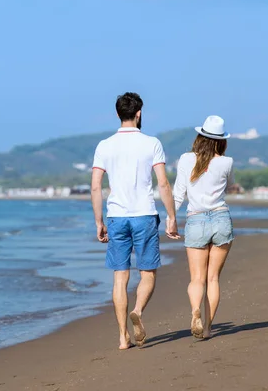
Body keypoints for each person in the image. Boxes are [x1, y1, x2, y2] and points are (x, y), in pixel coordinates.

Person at [91, 92, 180, 350]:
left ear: (118, 114)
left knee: (120, 277)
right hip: (144, 215)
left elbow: (96, 187)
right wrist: (172, 217)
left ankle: (122, 337)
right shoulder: (151, 143)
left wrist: (99, 221)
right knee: (148, 273)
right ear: (139, 113)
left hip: (117, 217)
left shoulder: (104, 146)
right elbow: (162, 182)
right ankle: (138, 311)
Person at [172, 115, 235, 340]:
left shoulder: (186, 159)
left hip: (196, 220)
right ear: (221, 141)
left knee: (197, 279)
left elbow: (178, 193)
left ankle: (195, 311)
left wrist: (171, 219)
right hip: (220, 219)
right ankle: (207, 328)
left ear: (200, 136)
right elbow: (229, 186)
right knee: (213, 279)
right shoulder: (226, 162)